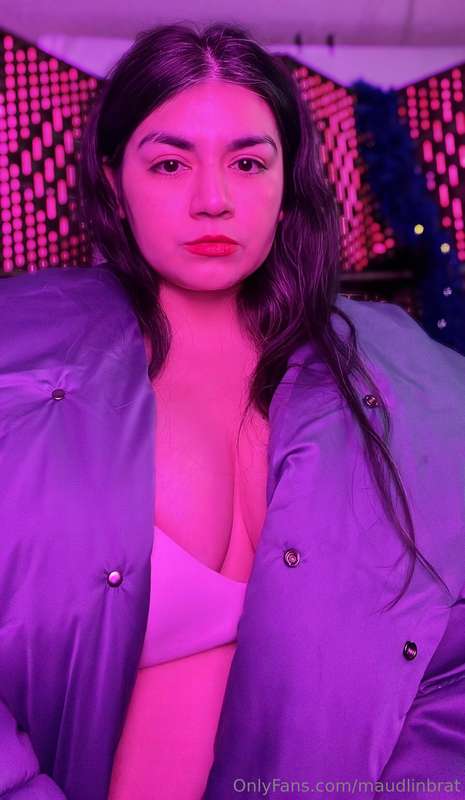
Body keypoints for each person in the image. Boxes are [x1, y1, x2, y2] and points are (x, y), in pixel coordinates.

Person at [1, 20, 465, 800]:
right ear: (114, 181)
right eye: (170, 163)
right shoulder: (16, 353)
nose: (211, 201)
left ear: (286, 187)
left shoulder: (410, 375)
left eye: (247, 163)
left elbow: (451, 661)